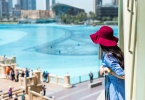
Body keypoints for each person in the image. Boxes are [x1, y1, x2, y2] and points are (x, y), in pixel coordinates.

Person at [90, 26, 125, 100]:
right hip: (118, 86)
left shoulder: (108, 56)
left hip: (116, 88)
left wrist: (107, 69)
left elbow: (121, 73)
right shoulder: (116, 52)